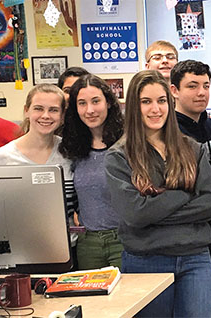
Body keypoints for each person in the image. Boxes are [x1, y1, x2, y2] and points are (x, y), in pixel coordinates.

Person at [106, 70, 211, 317]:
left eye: (161, 101)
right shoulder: (119, 156)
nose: (155, 109)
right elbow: (135, 214)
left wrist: (154, 207)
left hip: (195, 259)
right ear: (134, 107)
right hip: (145, 261)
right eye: (146, 102)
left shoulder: (193, 149)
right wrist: (184, 193)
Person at [169, 59, 211, 318]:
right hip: (189, 235)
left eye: (206, 85)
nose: (201, 92)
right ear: (174, 90)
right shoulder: (169, 132)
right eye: (192, 86)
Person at [59, 74, 125, 270]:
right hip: (87, 242)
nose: (90, 110)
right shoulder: (72, 147)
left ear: (109, 102)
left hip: (124, 240)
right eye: (82, 103)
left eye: (96, 101)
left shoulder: (127, 143)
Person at [0, 84, 70, 173]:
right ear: (26, 111)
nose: (45, 116)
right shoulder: (3, 157)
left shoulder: (70, 152)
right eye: (38, 109)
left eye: (53, 110)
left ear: (62, 115)